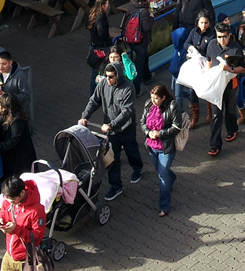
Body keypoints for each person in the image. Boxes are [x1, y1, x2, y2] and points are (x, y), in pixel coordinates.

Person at [80, 61, 142, 201]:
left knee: (131, 151)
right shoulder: (103, 84)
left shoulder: (128, 88)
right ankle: (116, 186)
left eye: (111, 77)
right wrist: (85, 116)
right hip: (111, 132)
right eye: (106, 76)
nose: (107, 79)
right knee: (112, 159)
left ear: (118, 76)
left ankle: (137, 168)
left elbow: (127, 112)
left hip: (126, 129)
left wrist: (111, 124)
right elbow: (94, 100)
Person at [140, 84, 183, 217]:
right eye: (151, 98)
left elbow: (177, 127)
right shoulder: (148, 105)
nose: (153, 101)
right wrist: (148, 133)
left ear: (163, 97)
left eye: (156, 98)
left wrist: (159, 134)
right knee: (161, 171)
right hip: (152, 146)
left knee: (162, 176)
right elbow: (142, 122)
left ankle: (165, 205)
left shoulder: (172, 106)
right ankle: (172, 178)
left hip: (166, 148)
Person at [204, 21, 244, 156]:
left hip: (230, 85)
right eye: (219, 36)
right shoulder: (211, 45)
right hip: (216, 86)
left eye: (225, 36)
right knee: (216, 114)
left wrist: (229, 68)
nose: (222, 39)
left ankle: (232, 129)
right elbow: (208, 61)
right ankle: (215, 144)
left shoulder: (236, 48)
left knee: (230, 110)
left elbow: (242, 68)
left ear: (229, 35)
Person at [0, 176, 46, 271]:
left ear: (22, 193)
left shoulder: (37, 210)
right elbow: (4, 213)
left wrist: (16, 230)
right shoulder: (8, 201)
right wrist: (1, 220)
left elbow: (37, 237)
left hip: (26, 260)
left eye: (13, 201)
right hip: (9, 255)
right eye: (8, 200)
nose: (10, 203)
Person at [181, 14, 214, 128]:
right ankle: (195, 117)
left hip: (207, 65)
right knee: (192, 91)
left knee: (207, 89)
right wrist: (191, 48)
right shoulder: (194, 32)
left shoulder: (212, 34)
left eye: (206, 23)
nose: (204, 25)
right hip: (195, 65)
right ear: (197, 23)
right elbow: (186, 43)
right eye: (201, 23)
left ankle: (210, 113)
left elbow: (212, 49)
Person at [0, 93, 36, 178]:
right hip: (12, 156)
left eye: (0, 104)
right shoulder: (6, 117)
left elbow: (14, 140)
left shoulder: (17, 121)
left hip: (20, 157)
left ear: (6, 107)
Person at [123, 0, 154, 94]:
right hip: (140, 41)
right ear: (146, 0)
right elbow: (146, 28)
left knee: (145, 57)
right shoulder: (144, 12)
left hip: (130, 39)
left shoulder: (131, 6)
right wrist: (151, 18)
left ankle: (147, 77)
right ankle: (136, 90)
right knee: (139, 66)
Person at [87, 0, 112, 93]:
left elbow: (87, 26)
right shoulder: (101, 17)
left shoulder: (92, 14)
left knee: (95, 72)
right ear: (102, 5)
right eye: (107, 3)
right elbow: (101, 32)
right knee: (99, 73)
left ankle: (93, 95)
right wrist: (108, 39)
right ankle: (96, 95)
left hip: (93, 46)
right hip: (101, 48)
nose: (108, 5)